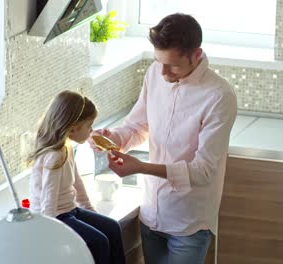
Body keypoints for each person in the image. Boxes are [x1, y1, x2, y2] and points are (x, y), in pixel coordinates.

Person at [89, 13, 237, 264]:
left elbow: (204, 171)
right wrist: (113, 138)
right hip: (151, 216)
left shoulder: (219, 96)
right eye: (159, 62)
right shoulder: (155, 73)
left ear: (196, 54)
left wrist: (141, 167)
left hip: (189, 222)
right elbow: (137, 127)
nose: (164, 72)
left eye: (173, 65)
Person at [27, 90, 126, 264]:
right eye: (89, 126)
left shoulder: (67, 148)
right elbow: (48, 198)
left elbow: (77, 183)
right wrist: (48, 231)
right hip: (55, 216)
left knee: (112, 227)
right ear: (73, 129)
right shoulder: (54, 155)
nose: (91, 130)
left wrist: (90, 210)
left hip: (70, 210)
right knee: (98, 241)